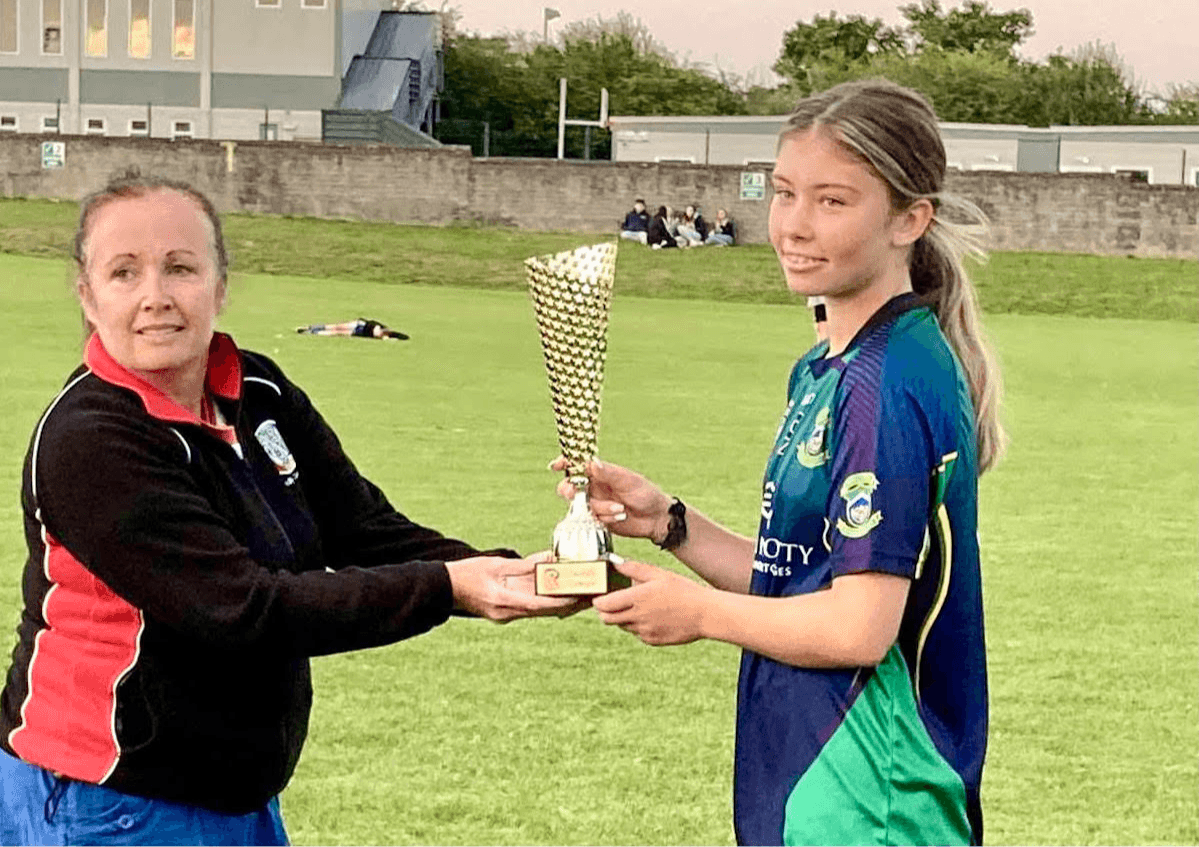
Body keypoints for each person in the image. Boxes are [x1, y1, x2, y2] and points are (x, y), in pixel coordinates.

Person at [0, 176, 578, 846]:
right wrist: (451, 588)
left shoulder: (257, 387)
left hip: (234, 793)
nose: (156, 295)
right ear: (88, 295)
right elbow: (243, 610)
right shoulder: (91, 439)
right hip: (110, 800)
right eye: (123, 272)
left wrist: (506, 571)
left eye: (181, 267)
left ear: (220, 285)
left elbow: (361, 526)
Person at [554, 79, 1005, 846]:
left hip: (872, 796)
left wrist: (697, 614)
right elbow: (798, 576)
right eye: (783, 192)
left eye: (832, 201)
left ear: (909, 219)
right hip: (812, 771)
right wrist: (671, 523)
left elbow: (859, 627)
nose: (794, 225)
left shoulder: (887, 382)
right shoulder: (828, 366)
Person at [296, 317, 408, 340]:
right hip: (358, 326)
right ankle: (311, 329)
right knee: (335, 328)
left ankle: (311, 331)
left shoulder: (382, 333)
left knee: (335, 331)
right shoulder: (381, 331)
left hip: (358, 329)